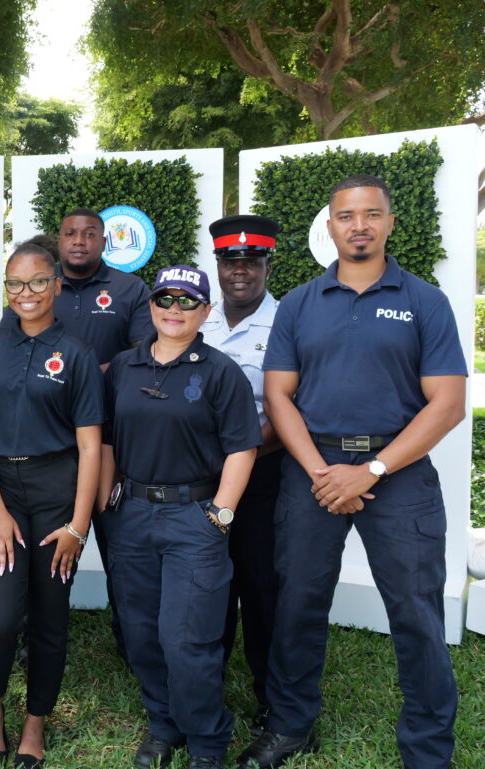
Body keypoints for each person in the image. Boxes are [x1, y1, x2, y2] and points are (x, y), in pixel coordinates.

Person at [237, 175, 466, 769]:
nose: (358, 225)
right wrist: (321, 472)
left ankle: (428, 746)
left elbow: (447, 403)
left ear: (390, 222)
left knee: (416, 609)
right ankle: (290, 726)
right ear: (330, 225)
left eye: (371, 214)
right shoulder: (301, 304)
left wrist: (371, 469)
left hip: (400, 470)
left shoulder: (425, 301)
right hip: (311, 469)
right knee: (298, 601)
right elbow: (279, 395)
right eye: (346, 215)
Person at [100, 265, 261, 769]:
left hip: (195, 517)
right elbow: (105, 440)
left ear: (206, 313)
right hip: (131, 516)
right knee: (142, 632)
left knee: (187, 638)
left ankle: (208, 743)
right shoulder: (123, 367)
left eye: (188, 301)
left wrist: (222, 512)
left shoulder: (220, 371)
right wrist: (106, 499)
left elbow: (242, 447)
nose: (175, 309)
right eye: (165, 299)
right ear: (150, 307)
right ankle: (163, 725)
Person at [0, 242, 103, 769]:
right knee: (1, 617)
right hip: (2, 490)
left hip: (55, 495)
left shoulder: (77, 354)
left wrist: (78, 525)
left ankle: (35, 724)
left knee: (50, 617)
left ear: (57, 286)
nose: (26, 294)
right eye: (15, 284)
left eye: (37, 282)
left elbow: (90, 445)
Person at [1, 208, 152, 660]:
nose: (79, 241)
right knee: (45, 547)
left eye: (90, 234)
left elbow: (145, 354)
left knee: (118, 546)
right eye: (70, 233)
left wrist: (81, 375)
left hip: (113, 441)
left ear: (105, 241)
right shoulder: (39, 286)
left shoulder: (129, 289)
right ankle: (35, 638)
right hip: (48, 444)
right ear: (59, 240)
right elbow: (12, 357)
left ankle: (133, 641)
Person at [199, 215, 283, 735]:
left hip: (263, 479)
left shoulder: (289, 321)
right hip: (198, 482)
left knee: (259, 588)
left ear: (267, 264)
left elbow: (289, 409)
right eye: (231, 261)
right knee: (205, 587)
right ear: (218, 265)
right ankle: (205, 693)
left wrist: (237, 460)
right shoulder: (196, 318)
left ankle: (270, 697)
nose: (240, 272)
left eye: (252, 262)